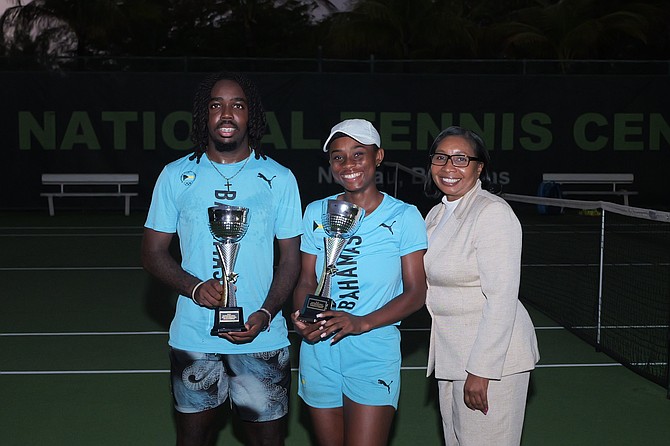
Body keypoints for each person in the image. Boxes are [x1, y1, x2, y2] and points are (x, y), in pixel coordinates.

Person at [141, 71, 302, 446]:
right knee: (193, 440)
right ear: (204, 115)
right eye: (217, 105)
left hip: (261, 338)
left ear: (252, 116)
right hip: (195, 337)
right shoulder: (175, 175)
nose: (226, 114)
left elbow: (291, 261)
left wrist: (264, 313)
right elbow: (152, 253)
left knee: (267, 441)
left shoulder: (279, 178)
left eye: (237, 105)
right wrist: (194, 288)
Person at [291, 119, 428, 446]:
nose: (348, 164)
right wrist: (303, 317)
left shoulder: (404, 216)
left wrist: (361, 322)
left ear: (378, 156)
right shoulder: (316, 212)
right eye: (338, 157)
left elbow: (416, 292)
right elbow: (305, 280)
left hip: (373, 351)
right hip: (319, 351)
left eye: (358, 154)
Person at [423, 126, 540, 445]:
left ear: (479, 167)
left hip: (490, 364)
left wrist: (481, 371)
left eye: (461, 158)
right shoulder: (436, 214)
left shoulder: (492, 214)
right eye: (441, 157)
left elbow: (501, 299)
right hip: (451, 356)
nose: (449, 167)